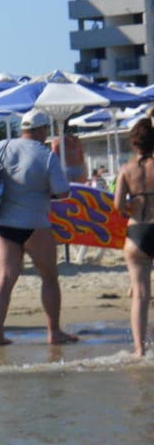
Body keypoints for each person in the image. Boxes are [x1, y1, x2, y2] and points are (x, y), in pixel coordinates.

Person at [0, 108, 77, 347]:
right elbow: (63, 192)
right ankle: (54, 332)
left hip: (4, 223)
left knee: (5, 279)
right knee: (49, 277)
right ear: (40, 130)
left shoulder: (1, 147)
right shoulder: (46, 156)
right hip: (35, 223)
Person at [114, 118, 154, 356]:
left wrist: (133, 207)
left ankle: (139, 349)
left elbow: (118, 205)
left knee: (139, 295)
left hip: (137, 232)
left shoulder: (126, 169)